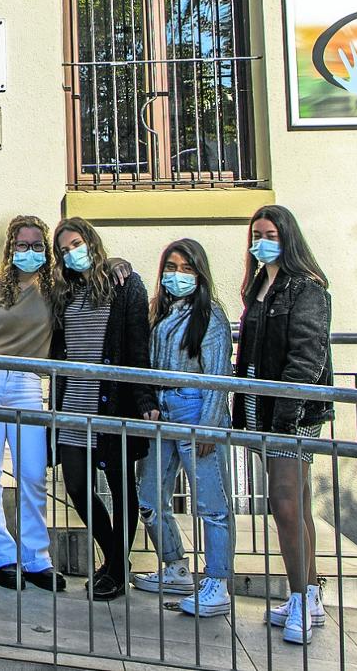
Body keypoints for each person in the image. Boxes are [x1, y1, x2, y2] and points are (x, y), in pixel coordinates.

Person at [233, 205, 332, 645]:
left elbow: (307, 357)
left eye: (269, 233)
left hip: (290, 416)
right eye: (256, 234)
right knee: (300, 503)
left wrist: (285, 416)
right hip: (261, 409)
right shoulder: (259, 286)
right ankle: (309, 593)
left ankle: (299, 600)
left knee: (285, 503)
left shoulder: (305, 288)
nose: (261, 241)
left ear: (286, 238)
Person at [49, 217, 155, 601]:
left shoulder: (124, 285)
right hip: (73, 405)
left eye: (75, 244)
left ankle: (113, 569)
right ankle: (114, 559)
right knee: (76, 486)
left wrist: (145, 400)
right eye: (63, 250)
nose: (71, 253)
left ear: (91, 242)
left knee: (121, 488)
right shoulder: (63, 292)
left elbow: (138, 347)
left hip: (113, 405)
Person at [0, 215, 63, 591]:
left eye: (37, 245)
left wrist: (119, 265)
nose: (30, 252)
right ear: (10, 248)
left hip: (27, 383)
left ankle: (37, 558)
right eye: (22, 245)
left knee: (33, 474)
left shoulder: (56, 291)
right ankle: (0, 555)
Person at [133, 239, 235, 618]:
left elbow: (218, 375)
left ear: (200, 273)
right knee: (149, 497)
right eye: (171, 268)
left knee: (211, 505)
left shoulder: (210, 317)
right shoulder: (159, 313)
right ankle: (175, 565)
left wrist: (209, 427)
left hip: (195, 410)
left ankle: (218, 582)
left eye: (187, 269)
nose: (177, 276)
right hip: (164, 410)